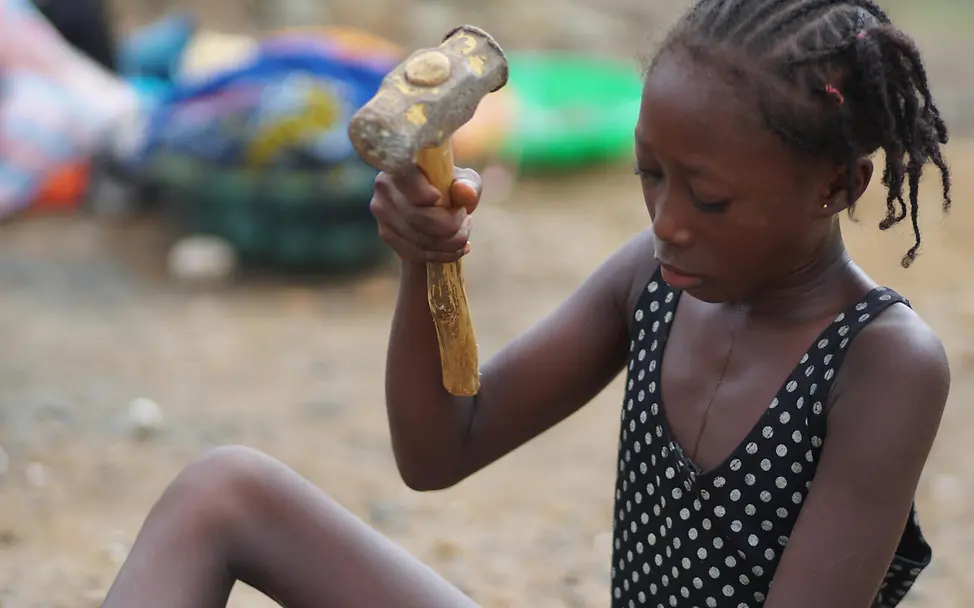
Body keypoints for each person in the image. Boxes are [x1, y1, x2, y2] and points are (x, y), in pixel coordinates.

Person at [102, 1, 952, 607]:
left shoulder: (883, 363)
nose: (667, 222)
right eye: (651, 175)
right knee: (223, 493)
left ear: (838, 186)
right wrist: (426, 260)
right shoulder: (653, 281)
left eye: (710, 199)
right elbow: (441, 447)